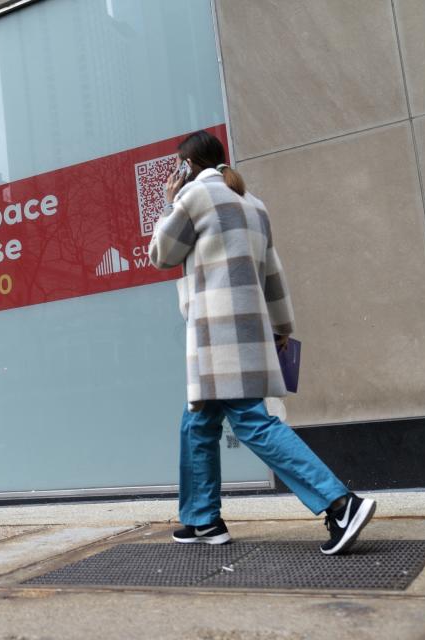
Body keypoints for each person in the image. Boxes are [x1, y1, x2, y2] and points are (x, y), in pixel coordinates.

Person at [148, 130, 375, 555]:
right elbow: (273, 272)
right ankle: (203, 521)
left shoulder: (196, 198)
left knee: (252, 421)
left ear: (187, 166)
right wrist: (282, 326)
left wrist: (169, 201)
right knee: (197, 421)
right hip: (249, 332)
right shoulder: (254, 204)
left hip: (217, 336)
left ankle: (340, 503)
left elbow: (161, 253)